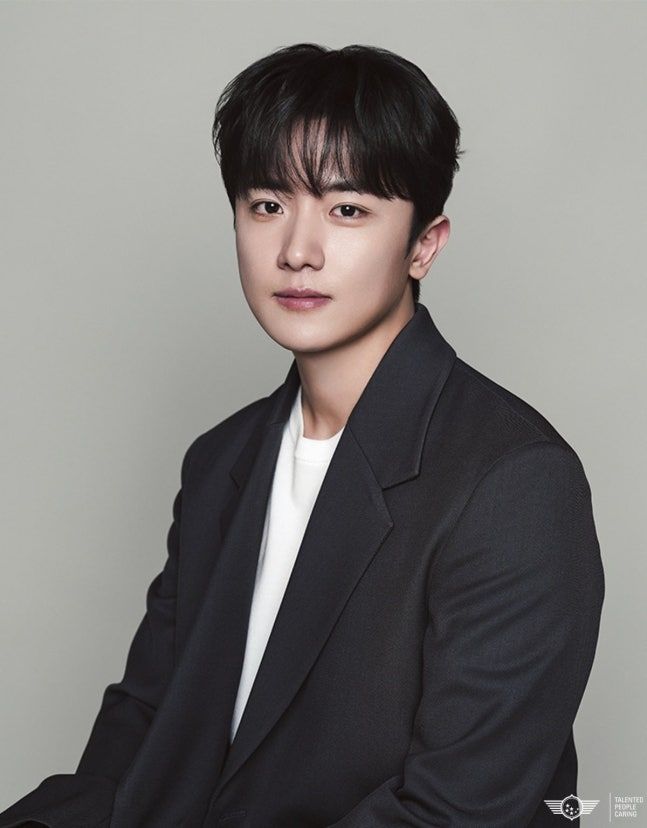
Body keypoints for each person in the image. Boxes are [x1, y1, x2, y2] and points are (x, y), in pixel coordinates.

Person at [0, 43, 604, 828]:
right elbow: (144, 724)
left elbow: (457, 810)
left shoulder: (513, 481)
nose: (296, 251)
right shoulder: (221, 460)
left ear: (424, 243)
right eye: (267, 205)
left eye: (346, 210)